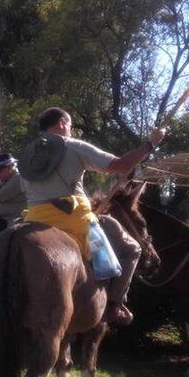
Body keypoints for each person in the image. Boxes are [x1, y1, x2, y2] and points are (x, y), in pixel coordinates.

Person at [18, 107, 166, 326]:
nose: (70, 130)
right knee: (132, 248)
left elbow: (28, 190)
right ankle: (115, 305)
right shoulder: (73, 146)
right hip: (73, 219)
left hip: (34, 217)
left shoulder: (27, 155)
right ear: (61, 123)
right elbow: (121, 165)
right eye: (69, 125)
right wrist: (151, 143)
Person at [0, 153, 27, 228]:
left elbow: (1, 196)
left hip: (16, 220)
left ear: (9, 168)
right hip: (2, 221)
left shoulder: (18, 179)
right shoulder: (1, 184)